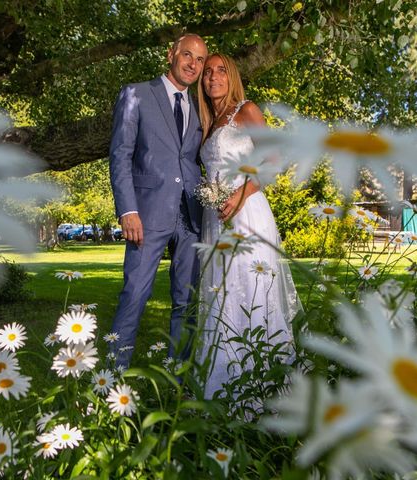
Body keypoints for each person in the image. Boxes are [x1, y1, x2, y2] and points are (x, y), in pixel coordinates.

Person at [197, 53, 301, 398]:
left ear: (232, 76)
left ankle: (265, 391)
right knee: (221, 298)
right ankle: (224, 390)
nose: (213, 77)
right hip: (215, 220)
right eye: (208, 72)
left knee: (251, 294)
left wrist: (241, 193)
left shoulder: (246, 110)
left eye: (220, 71)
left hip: (248, 212)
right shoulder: (209, 120)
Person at [108, 33, 208, 367]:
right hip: (146, 215)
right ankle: (111, 379)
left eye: (200, 60)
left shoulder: (200, 106)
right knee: (134, 295)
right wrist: (128, 210)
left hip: (191, 217)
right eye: (187, 55)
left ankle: (176, 382)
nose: (193, 64)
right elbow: (120, 154)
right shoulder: (136, 93)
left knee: (187, 302)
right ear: (171, 54)